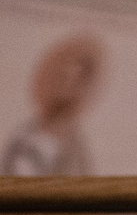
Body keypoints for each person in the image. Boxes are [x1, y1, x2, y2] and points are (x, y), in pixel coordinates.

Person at [2, 35, 102, 176]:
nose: (67, 87)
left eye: (76, 82)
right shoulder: (29, 136)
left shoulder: (74, 143)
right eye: (63, 78)